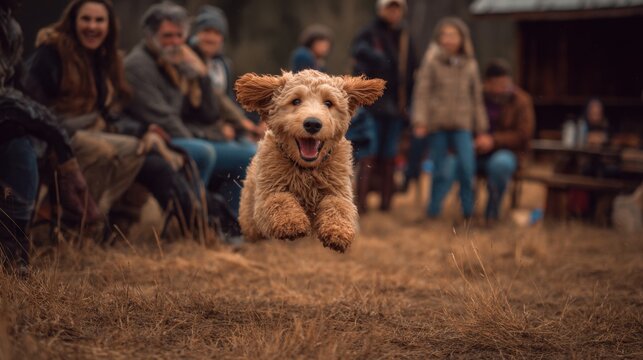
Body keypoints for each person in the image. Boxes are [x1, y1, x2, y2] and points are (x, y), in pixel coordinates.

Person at [22, 0, 218, 236]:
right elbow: (31, 106)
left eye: (99, 20)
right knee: (108, 151)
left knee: (150, 154)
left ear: (109, 26)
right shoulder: (52, 53)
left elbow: (112, 114)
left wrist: (145, 131)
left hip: (97, 132)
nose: (92, 26)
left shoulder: (106, 59)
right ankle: (77, 225)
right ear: (72, 21)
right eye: (86, 19)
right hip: (57, 137)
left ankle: (193, 225)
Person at [124, 2, 256, 216]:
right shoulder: (138, 66)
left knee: (248, 155)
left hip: (183, 133)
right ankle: (196, 221)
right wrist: (205, 136)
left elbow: (211, 110)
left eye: (179, 36)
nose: (175, 42)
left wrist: (202, 77)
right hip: (152, 138)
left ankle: (231, 226)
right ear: (150, 36)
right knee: (204, 151)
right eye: (168, 36)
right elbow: (164, 119)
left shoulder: (176, 60)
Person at [1, 3, 99, 275]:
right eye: (86, 18)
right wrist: (56, 135)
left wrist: (57, 143)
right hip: (44, 121)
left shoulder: (10, 28)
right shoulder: (49, 53)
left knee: (21, 148)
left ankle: (13, 252)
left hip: (11, 122)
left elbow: (18, 90)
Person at [410, 17, 488, 221]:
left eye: (453, 35)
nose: (448, 39)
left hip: (463, 124)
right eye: (444, 35)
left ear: (462, 38)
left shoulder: (470, 64)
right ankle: (433, 211)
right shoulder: (431, 61)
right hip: (437, 125)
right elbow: (422, 92)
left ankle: (468, 212)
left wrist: (481, 128)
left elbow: (476, 98)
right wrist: (420, 120)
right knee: (440, 170)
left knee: (466, 167)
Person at [350, 0, 417, 214]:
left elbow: (411, 74)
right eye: (390, 7)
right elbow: (359, 60)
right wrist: (379, 59)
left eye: (397, 8)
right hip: (371, 106)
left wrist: (408, 105)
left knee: (389, 155)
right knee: (368, 152)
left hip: (396, 108)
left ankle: (386, 204)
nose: (394, 12)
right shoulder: (368, 34)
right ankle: (361, 204)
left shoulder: (405, 38)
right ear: (381, 10)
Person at [188, 5, 261, 141]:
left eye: (216, 33)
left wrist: (256, 121)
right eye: (206, 31)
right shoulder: (188, 62)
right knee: (249, 154)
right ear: (196, 33)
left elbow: (230, 99)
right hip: (201, 131)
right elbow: (193, 107)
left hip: (230, 128)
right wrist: (221, 126)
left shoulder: (224, 65)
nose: (211, 38)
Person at [475, 59, 534, 222]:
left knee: (499, 165)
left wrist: (493, 140)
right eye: (499, 83)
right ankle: (467, 213)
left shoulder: (521, 100)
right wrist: (476, 141)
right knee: (456, 162)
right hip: (478, 152)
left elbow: (524, 134)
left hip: (508, 152)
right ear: (487, 83)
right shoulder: (477, 98)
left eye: (507, 83)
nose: (504, 88)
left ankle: (491, 215)